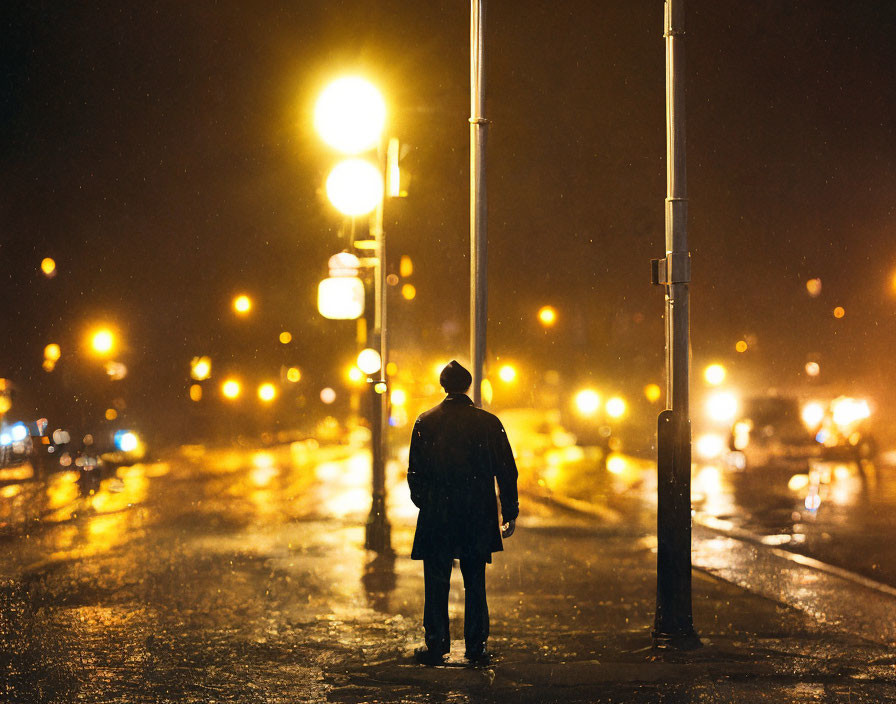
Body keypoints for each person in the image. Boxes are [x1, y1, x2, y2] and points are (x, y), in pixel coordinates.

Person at [407, 360, 519, 665]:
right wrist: (509, 510)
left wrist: (426, 502)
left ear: (443, 386)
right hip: (476, 513)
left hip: (438, 513)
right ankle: (475, 644)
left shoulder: (425, 422)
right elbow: (506, 470)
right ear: (468, 385)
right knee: (475, 580)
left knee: (436, 580)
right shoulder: (487, 422)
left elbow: (415, 472)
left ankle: (436, 644)